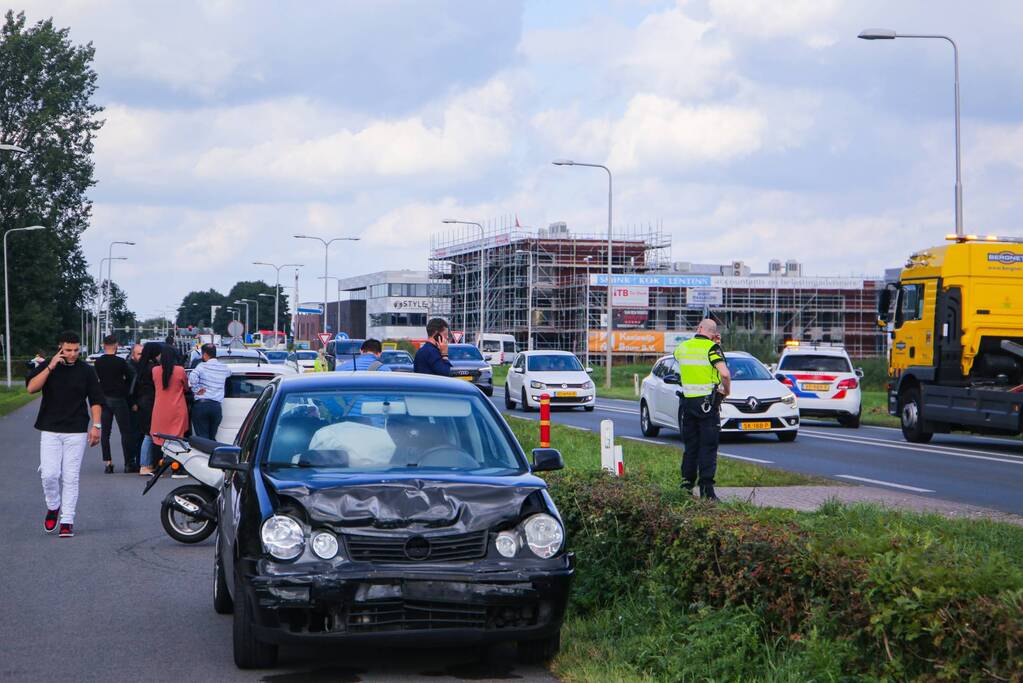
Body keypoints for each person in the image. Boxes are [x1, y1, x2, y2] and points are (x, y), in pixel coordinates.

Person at [26, 331, 104, 538]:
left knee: (71, 477)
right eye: (68, 350)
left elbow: (96, 400)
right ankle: (53, 505)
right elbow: (31, 388)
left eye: (76, 350)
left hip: (76, 430)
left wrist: (96, 426)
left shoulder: (86, 371)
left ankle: (67, 520)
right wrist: (50, 366)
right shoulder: (48, 366)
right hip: (50, 428)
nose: (72, 354)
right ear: (60, 348)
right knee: (49, 474)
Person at [673, 319, 732, 500]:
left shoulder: (682, 347)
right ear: (714, 333)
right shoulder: (712, 349)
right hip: (707, 405)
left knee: (690, 448)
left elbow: (679, 358)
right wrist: (726, 391)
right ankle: (707, 491)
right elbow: (724, 373)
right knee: (708, 447)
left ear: (699, 328)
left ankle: (686, 487)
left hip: (687, 404)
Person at [94, 335, 138, 473]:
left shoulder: (98, 362)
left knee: (106, 433)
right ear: (116, 345)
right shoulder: (120, 362)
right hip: (119, 399)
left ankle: (108, 463)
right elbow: (132, 376)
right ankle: (128, 463)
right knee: (125, 432)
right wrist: (126, 388)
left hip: (104, 399)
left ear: (103, 345)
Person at [151, 344, 189, 475]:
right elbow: (186, 387)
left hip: (159, 409)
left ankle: (157, 467)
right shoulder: (180, 370)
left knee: (158, 438)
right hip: (177, 409)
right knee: (177, 438)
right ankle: (176, 468)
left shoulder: (155, 370)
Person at [188, 343, 229, 440]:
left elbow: (191, 378)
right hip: (216, 408)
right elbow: (229, 373)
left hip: (202, 406)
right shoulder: (224, 368)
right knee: (212, 438)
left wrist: (197, 389)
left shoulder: (201, 366)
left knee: (202, 439)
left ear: (205, 354)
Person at [133, 342, 162, 475]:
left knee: (146, 433)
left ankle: (146, 463)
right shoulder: (153, 368)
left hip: (142, 402)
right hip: (151, 402)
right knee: (149, 434)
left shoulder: (141, 366)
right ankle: (145, 465)